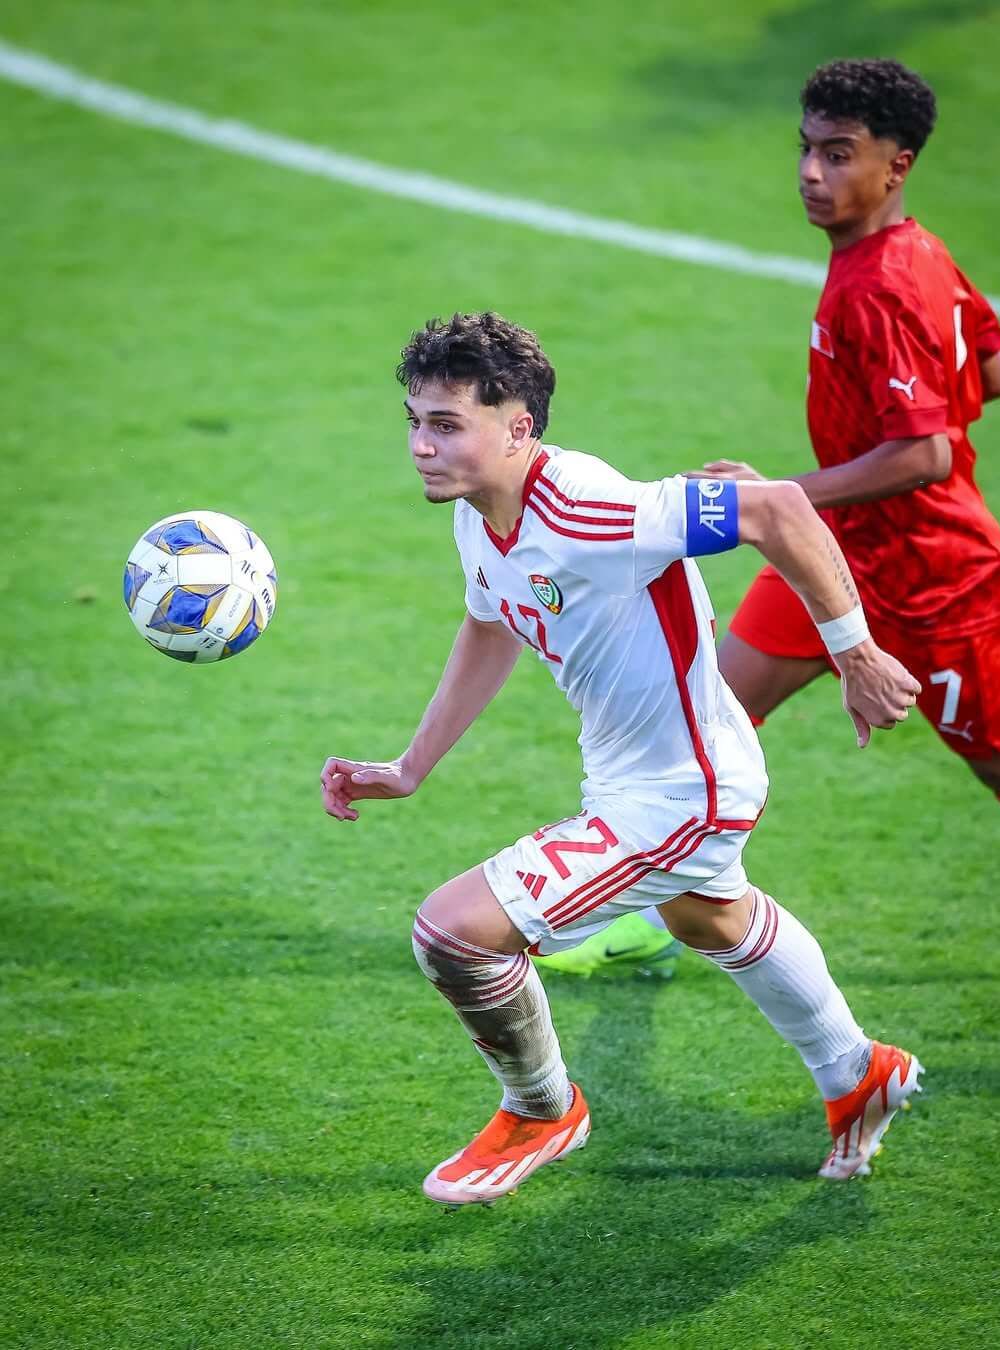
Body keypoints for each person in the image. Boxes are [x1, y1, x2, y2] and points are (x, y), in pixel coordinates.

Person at [321, 311, 923, 1206]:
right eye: (413, 420)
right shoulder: (481, 517)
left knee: (456, 934)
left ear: (519, 427)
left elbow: (777, 508)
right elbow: (490, 622)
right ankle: (858, 1073)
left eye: (446, 425)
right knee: (707, 917)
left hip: (685, 793)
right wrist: (412, 766)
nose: (419, 445)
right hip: (634, 775)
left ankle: (541, 1110)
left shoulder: (588, 508)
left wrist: (856, 652)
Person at [552, 56, 1000, 980]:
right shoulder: (917, 251)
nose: (810, 172)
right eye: (806, 149)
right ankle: (655, 912)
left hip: (936, 579)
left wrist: (780, 496)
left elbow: (928, 455)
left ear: (896, 164)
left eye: (839, 155)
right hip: (838, 557)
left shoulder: (880, 285)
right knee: (689, 724)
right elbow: (990, 374)